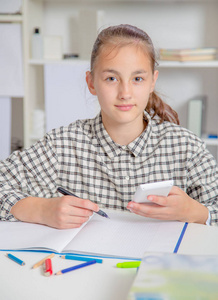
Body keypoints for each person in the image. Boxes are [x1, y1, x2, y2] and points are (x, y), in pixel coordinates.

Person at [0, 24, 218, 229]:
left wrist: (196, 212)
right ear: (91, 82)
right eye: (112, 78)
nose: (125, 93)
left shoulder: (186, 147)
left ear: (153, 81)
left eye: (138, 79)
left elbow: (213, 207)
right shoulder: (62, 145)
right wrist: (41, 210)